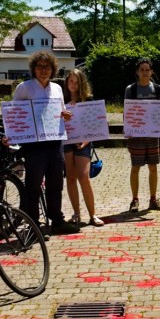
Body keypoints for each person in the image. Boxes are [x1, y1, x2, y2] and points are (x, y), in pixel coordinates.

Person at [9, 51, 76, 234]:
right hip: (35, 144)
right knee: (33, 185)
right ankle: (33, 225)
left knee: (56, 184)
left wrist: (65, 115)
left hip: (55, 141)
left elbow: (61, 111)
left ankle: (57, 220)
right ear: (34, 68)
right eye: (40, 67)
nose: (43, 70)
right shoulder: (24, 88)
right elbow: (14, 113)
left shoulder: (57, 88)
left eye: (47, 67)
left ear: (53, 69)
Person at [124, 58, 160, 212]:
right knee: (135, 167)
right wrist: (127, 130)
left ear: (152, 72)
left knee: (153, 167)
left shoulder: (158, 89)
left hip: (153, 135)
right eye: (142, 70)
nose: (145, 72)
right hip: (136, 135)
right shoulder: (131, 89)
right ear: (137, 72)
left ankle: (153, 199)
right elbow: (127, 111)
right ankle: (134, 200)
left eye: (147, 70)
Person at [62, 68, 102, 226]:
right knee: (71, 178)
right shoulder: (61, 99)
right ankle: (76, 214)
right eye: (71, 81)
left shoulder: (88, 100)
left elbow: (96, 124)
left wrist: (85, 142)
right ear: (67, 82)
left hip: (83, 143)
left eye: (77, 82)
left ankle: (93, 215)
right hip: (66, 141)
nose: (73, 84)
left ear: (81, 83)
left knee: (84, 177)